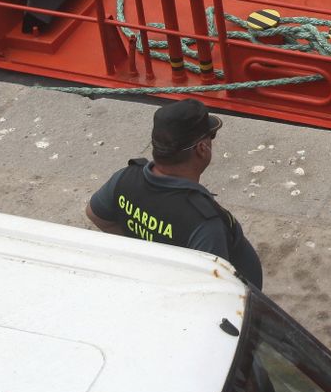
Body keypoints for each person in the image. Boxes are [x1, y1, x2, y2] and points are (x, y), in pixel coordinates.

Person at [86, 99, 263, 288]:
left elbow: (94, 214)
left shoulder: (125, 178)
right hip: (238, 297)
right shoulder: (204, 222)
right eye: (211, 137)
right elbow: (210, 287)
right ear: (201, 149)